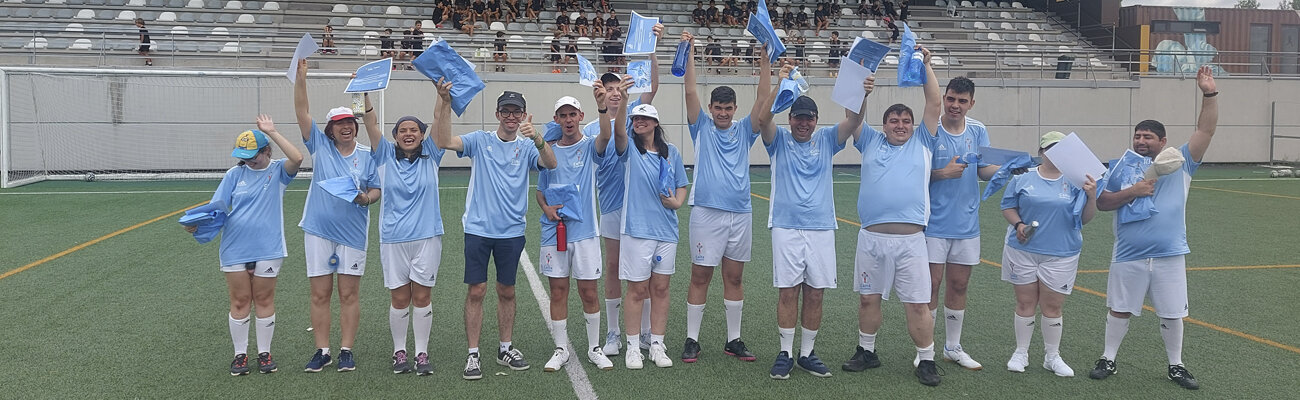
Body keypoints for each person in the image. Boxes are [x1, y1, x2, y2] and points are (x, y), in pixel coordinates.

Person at [1089, 66, 1218, 390]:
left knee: (1172, 313)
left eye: (1148, 137)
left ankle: (1176, 365)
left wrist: (1209, 94)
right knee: (1119, 309)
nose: (1141, 141)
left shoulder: (1181, 161)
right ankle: (1108, 358)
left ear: (1163, 141)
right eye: (1138, 135)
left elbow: (1205, 130)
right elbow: (1103, 203)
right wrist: (1132, 191)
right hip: (1128, 253)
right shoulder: (1122, 166)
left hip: (1169, 254)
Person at [751, 62, 871, 379]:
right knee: (788, 291)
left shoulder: (828, 139)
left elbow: (854, 120)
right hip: (786, 226)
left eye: (809, 119)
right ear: (790, 120)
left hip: (821, 227)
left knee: (816, 291)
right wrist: (779, 84)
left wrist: (862, 93)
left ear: (816, 121)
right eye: (798, 118)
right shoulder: (777, 141)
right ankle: (786, 353)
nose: (803, 123)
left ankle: (807, 353)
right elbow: (762, 119)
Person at [433, 87, 558, 380]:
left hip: (512, 232)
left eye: (516, 111)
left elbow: (551, 163)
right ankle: (473, 354)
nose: (511, 116)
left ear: (523, 115)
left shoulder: (528, 145)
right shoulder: (480, 140)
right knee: (477, 290)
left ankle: (505, 348)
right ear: (497, 114)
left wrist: (537, 137)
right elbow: (442, 140)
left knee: (507, 291)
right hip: (478, 229)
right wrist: (446, 102)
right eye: (506, 111)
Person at [839, 45, 945, 387]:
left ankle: (926, 360)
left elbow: (934, 104)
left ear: (913, 126)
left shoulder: (923, 143)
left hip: (912, 241)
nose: (900, 125)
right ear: (884, 125)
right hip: (872, 239)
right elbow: (853, 117)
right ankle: (867, 351)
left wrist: (926, 65)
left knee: (917, 305)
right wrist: (861, 88)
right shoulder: (869, 141)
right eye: (893, 120)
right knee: (868, 298)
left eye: (905, 121)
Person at [189, 115, 302, 376]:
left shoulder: (278, 171)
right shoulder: (233, 174)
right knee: (240, 301)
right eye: (245, 155)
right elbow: (217, 209)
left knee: (263, 299)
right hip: (235, 247)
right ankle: (240, 355)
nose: (250, 159)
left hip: (269, 247)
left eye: (255, 154)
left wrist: (272, 131)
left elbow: (297, 158)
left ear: (267, 151)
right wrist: (195, 225)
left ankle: (265, 353)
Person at [292, 60, 382, 373]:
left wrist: (365, 198)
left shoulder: (368, 156)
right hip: (318, 230)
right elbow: (303, 113)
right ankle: (322, 350)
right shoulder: (320, 147)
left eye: (350, 122)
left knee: (348, 293)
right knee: (320, 293)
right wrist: (301, 79)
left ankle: (346, 350)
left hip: (354, 234)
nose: (346, 126)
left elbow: (376, 190)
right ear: (330, 130)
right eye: (339, 123)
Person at [537, 81, 631, 373]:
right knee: (558, 291)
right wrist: (545, 208)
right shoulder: (547, 152)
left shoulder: (590, 147)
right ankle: (561, 348)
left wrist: (603, 105)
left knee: (589, 291)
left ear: (580, 117)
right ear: (556, 119)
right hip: (554, 233)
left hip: (586, 232)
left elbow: (607, 134)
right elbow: (541, 190)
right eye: (562, 116)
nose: (567, 120)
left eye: (572, 115)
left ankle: (593, 348)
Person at [680, 30, 761, 364]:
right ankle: (691, 340)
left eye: (728, 108)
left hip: (740, 214)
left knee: (735, 277)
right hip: (706, 213)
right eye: (718, 108)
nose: (723, 113)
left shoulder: (744, 129)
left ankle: (734, 340)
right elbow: (688, 90)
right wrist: (690, 50)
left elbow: (764, 100)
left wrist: (766, 58)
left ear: (735, 108)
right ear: (711, 108)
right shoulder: (701, 127)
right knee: (701, 275)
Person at [587, 24, 665, 358]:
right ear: (601, 92)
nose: (615, 92)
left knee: (644, 270)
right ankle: (615, 332)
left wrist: (652, 47)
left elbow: (653, 87)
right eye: (609, 88)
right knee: (616, 265)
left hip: (643, 209)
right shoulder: (595, 127)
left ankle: (646, 332)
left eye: (619, 87)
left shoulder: (638, 118)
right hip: (612, 204)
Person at [1000, 131, 1099, 377]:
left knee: (1052, 306)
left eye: (1060, 150)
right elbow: (1008, 206)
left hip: (1061, 252)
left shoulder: (1078, 181)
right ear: (1041, 152)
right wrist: (1019, 225)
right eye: (1050, 149)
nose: (1054, 155)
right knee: (1025, 302)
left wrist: (1091, 197)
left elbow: (1085, 219)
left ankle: (1052, 356)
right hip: (1022, 250)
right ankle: (1021, 352)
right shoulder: (1024, 178)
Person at [362, 92, 446, 376]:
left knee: (422, 297)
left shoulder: (432, 154)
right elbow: (370, 122)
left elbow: (438, 117)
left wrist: (441, 95)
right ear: (395, 136)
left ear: (422, 135)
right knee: (399, 299)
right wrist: (363, 95)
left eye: (414, 130)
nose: (408, 134)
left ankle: (422, 353)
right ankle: (400, 352)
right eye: (402, 130)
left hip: (427, 237)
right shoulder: (384, 155)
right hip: (393, 239)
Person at [924, 76, 1000, 371]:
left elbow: (984, 170)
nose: (955, 105)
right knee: (931, 285)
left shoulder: (978, 130)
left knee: (959, 284)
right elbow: (917, 173)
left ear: (972, 103)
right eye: (951, 99)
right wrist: (943, 173)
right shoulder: (930, 130)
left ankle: (952, 347)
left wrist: (1008, 171)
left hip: (967, 224)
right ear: (944, 98)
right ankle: (925, 349)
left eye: (962, 101)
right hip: (933, 224)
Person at [617, 103, 690, 369]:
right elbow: (618, 132)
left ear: (656, 123)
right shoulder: (629, 151)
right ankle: (633, 347)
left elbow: (682, 184)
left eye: (645, 118)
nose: (640, 122)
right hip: (637, 230)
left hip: (666, 231)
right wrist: (624, 99)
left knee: (660, 288)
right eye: (636, 118)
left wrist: (677, 203)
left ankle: (657, 344)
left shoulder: (671, 153)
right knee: (637, 290)